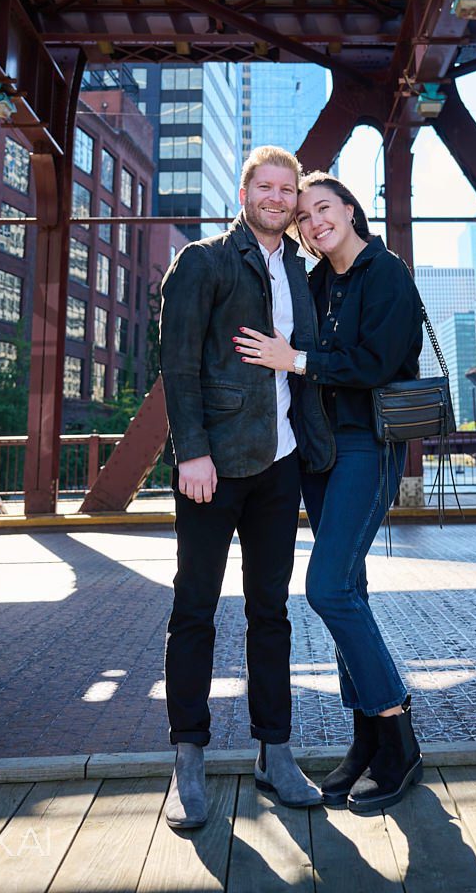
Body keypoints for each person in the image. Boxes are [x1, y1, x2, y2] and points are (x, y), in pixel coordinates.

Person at [235, 171, 424, 814]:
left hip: (369, 448)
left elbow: (374, 363)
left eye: (324, 210)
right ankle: (366, 741)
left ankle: (397, 732)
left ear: (350, 210)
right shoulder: (313, 283)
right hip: (320, 454)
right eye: (304, 219)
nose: (315, 224)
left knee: (327, 589)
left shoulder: (386, 273)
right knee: (352, 589)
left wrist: (299, 361)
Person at [159, 146, 334, 830]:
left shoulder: (298, 266)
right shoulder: (202, 260)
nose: (276, 198)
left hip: (279, 464)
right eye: (265, 186)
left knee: (271, 613)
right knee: (195, 611)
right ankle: (188, 759)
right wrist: (191, 452)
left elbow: (303, 362)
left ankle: (275, 752)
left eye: (286, 190)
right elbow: (176, 362)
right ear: (243, 192)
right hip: (214, 466)